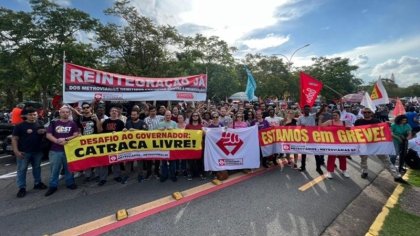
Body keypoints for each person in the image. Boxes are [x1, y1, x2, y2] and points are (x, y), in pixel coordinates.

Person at [355, 108, 408, 184]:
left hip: (377, 144)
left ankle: (396, 176)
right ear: (362, 113)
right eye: (364, 112)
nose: (366, 113)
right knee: (363, 159)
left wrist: (388, 126)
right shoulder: (358, 121)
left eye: (368, 112)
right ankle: (364, 171)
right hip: (363, 144)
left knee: (386, 160)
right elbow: (353, 132)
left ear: (371, 113)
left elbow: (383, 130)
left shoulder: (376, 121)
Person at [12, 108, 48, 198]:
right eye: (30, 114)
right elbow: (14, 139)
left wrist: (43, 132)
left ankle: (37, 183)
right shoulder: (19, 126)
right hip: (24, 152)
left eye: (34, 114)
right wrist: (16, 151)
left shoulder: (40, 123)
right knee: (22, 170)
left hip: (37, 151)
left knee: (37, 168)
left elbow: (42, 133)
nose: (33, 116)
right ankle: (22, 188)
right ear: (26, 116)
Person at [45, 106, 79, 196]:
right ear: (60, 113)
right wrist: (57, 141)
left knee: (69, 168)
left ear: (69, 113)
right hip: (55, 150)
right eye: (63, 112)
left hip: (69, 150)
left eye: (67, 112)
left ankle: (70, 183)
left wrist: (66, 139)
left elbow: (76, 134)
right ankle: (53, 186)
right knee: (54, 169)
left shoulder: (72, 123)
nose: (65, 114)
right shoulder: (54, 123)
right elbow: (48, 135)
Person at [97, 106, 126, 186]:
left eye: (115, 111)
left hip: (116, 145)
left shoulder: (120, 122)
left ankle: (117, 176)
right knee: (105, 161)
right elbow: (101, 132)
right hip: (106, 145)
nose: (114, 112)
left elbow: (123, 134)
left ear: (118, 113)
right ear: (109, 113)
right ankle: (103, 178)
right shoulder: (105, 121)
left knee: (116, 161)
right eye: (112, 111)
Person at [321, 110, 351, 179]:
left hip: (342, 143)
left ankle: (344, 171)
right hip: (332, 143)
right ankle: (329, 171)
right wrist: (320, 119)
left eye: (336, 115)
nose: (334, 116)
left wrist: (348, 129)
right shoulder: (330, 121)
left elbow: (350, 130)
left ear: (339, 116)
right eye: (333, 115)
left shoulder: (344, 122)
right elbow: (321, 127)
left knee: (343, 157)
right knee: (331, 157)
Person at [121, 109, 148, 184]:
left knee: (140, 162)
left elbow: (147, 133)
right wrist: (124, 130)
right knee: (128, 161)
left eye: (134, 115)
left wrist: (135, 130)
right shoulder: (128, 123)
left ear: (138, 115)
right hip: (130, 146)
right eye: (132, 115)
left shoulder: (142, 123)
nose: (133, 116)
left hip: (139, 146)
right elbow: (124, 132)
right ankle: (126, 175)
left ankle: (140, 175)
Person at [297, 105, 324, 174]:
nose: (307, 110)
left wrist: (323, 107)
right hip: (304, 137)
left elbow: (319, 112)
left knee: (316, 153)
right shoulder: (300, 118)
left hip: (313, 137)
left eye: (308, 109)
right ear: (303, 110)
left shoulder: (312, 116)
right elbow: (297, 127)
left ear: (310, 110)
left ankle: (318, 168)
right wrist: (301, 127)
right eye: (305, 109)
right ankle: (303, 167)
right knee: (304, 153)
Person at [144, 106, 164, 179]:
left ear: (156, 111)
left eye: (154, 111)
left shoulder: (160, 118)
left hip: (158, 141)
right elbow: (144, 130)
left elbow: (168, 116)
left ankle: (156, 172)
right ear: (149, 112)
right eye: (151, 111)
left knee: (157, 157)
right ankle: (148, 172)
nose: (153, 112)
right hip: (149, 141)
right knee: (149, 157)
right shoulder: (146, 119)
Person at [158, 110, 178, 182]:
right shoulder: (160, 124)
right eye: (166, 115)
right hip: (163, 145)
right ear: (164, 116)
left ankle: (173, 175)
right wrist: (159, 130)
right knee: (163, 162)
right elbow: (155, 134)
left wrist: (173, 130)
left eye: (169, 115)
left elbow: (179, 133)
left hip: (172, 145)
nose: (168, 117)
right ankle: (164, 175)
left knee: (172, 162)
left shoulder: (174, 123)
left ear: (171, 116)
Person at [186, 112, 205, 180]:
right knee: (190, 161)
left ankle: (201, 173)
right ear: (191, 117)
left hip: (200, 145)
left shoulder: (201, 126)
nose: (195, 116)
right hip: (190, 146)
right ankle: (190, 173)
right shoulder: (188, 126)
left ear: (198, 117)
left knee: (199, 160)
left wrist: (204, 133)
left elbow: (204, 136)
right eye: (193, 115)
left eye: (197, 115)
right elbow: (185, 135)